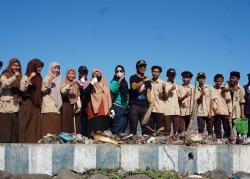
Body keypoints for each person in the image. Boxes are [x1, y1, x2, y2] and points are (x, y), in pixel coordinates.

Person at [19, 59, 44, 143]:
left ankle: (34, 142)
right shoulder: (26, 76)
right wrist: (30, 78)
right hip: (27, 103)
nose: (40, 68)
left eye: (41, 67)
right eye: (38, 67)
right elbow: (22, 89)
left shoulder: (39, 77)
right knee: (26, 124)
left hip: (36, 105)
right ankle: (24, 143)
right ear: (33, 66)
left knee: (35, 125)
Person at [0, 58, 22, 143]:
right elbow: (4, 84)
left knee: (14, 129)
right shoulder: (5, 74)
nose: (16, 67)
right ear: (10, 65)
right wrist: (14, 77)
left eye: (17, 65)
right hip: (5, 106)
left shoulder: (19, 75)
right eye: (14, 65)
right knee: (5, 129)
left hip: (15, 104)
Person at [85, 69, 112, 135]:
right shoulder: (90, 83)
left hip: (105, 112)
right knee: (95, 133)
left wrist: (111, 109)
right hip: (95, 113)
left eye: (98, 74)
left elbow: (109, 97)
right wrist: (91, 84)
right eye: (95, 74)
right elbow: (86, 93)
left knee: (104, 133)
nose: (97, 76)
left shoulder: (105, 84)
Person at [128, 60, 151, 135]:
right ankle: (132, 144)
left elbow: (148, 93)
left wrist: (151, 104)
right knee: (133, 126)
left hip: (144, 106)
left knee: (145, 128)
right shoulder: (133, 77)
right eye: (140, 66)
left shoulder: (148, 80)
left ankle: (145, 145)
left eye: (144, 66)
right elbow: (134, 87)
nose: (142, 68)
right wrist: (144, 81)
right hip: (134, 105)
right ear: (137, 67)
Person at [41, 62, 62, 136]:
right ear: (51, 69)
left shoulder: (59, 79)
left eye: (58, 68)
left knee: (55, 128)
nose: (57, 70)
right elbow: (43, 89)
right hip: (48, 106)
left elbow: (61, 91)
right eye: (55, 68)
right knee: (49, 128)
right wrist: (50, 79)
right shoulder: (47, 77)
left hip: (56, 107)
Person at [145, 65, 165, 134]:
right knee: (149, 130)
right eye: (154, 71)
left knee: (160, 131)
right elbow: (146, 92)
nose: (155, 73)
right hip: (150, 109)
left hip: (160, 109)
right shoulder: (148, 82)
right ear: (151, 72)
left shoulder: (163, 83)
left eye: (157, 72)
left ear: (159, 73)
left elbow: (165, 97)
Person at [195, 72, 216, 137]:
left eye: (202, 78)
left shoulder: (210, 87)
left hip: (208, 111)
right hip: (200, 112)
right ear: (197, 79)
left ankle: (210, 140)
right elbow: (197, 101)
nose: (201, 79)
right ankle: (200, 140)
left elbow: (212, 100)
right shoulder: (195, 89)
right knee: (200, 128)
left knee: (210, 128)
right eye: (199, 78)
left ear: (205, 79)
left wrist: (210, 111)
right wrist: (201, 94)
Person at [61, 68, 81, 133]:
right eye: (69, 73)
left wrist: (79, 106)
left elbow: (77, 95)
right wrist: (70, 84)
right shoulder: (63, 82)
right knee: (67, 123)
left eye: (73, 73)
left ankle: (75, 139)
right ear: (67, 74)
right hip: (66, 105)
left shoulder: (76, 84)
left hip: (75, 106)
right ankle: (67, 139)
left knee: (76, 124)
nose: (71, 75)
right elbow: (62, 91)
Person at [110, 65, 129, 135]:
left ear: (124, 72)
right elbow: (112, 89)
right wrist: (119, 80)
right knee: (117, 127)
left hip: (125, 108)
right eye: (117, 71)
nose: (119, 72)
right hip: (117, 107)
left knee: (123, 127)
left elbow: (126, 94)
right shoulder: (114, 81)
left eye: (121, 71)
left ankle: (121, 143)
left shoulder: (125, 82)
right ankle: (116, 143)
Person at [212, 74, 232, 139]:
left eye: (220, 81)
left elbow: (228, 102)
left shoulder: (225, 89)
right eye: (217, 81)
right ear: (214, 81)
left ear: (222, 81)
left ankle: (227, 139)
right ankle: (218, 139)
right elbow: (212, 101)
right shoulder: (212, 89)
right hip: (216, 112)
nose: (219, 83)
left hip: (225, 111)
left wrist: (230, 112)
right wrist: (215, 109)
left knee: (226, 127)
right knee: (217, 127)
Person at [163, 68, 181, 136]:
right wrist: (170, 89)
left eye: (173, 75)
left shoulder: (177, 85)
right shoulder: (164, 84)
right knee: (167, 129)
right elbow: (164, 97)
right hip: (167, 110)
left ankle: (175, 143)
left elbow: (178, 98)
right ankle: (166, 144)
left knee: (176, 130)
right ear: (167, 75)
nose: (171, 76)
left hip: (176, 110)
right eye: (170, 74)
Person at [227, 71, 245, 136]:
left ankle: (240, 140)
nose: (231, 79)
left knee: (239, 129)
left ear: (238, 79)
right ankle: (229, 140)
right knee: (228, 129)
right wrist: (231, 89)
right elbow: (223, 90)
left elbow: (242, 102)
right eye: (231, 78)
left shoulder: (241, 88)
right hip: (228, 111)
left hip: (237, 112)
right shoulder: (227, 85)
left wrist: (242, 114)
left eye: (233, 78)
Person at [77, 66, 90, 136]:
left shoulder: (89, 81)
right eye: (82, 72)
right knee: (81, 123)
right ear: (79, 73)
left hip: (88, 105)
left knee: (88, 123)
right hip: (80, 105)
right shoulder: (77, 81)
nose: (84, 74)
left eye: (85, 72)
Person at [244, 73, 250, 137]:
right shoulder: (245, 87)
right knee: (248, 125)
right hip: (247, 110)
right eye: (249, 77)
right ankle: (248, 137)